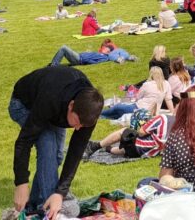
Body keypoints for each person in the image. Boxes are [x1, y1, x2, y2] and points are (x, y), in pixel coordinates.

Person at [9, 65, 103, 219]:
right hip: (23, 104)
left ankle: (34, 208)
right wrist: (21, 183)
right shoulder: (51, 97)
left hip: (54, 110)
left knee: (57, 156)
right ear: (71, 105)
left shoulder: (89, 112)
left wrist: (60, 193)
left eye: (83, 126)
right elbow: (24, 141)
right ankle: (51, 212)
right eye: (77, 122)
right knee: (47, 143)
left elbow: (76, 151)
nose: (78, 128)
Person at [102, 66, 174, 119]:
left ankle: (100, 113)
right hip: (152, 111)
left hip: (139, 108)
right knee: (119, 112)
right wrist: (173, 113)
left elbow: (138, 97)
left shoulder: (147, 84)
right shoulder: (166, 84)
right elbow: (168, 100)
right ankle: (102, 116)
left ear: (151, 74)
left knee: (118, 107)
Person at [50, 40, 135, 66]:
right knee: (64, 48)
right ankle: (54, 64)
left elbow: (94, 62)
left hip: (80, 59)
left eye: (105, 48)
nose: (103, 48)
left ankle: (54, 65)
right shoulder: (101, 53)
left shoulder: (105, 57)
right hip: (80, 56)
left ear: (108, 51)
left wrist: (85, 60)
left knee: (64, 48)